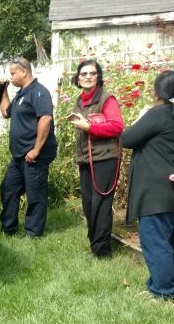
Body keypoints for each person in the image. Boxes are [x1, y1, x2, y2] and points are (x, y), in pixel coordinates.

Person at [120, 69, 174, 300]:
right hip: (167, 191)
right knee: (167, 241)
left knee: (156, 242)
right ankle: (156, 285)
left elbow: (127, 139)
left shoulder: (158, 113)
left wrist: (142, 116)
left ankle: (164, 292)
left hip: (155, 193)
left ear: (156, 92)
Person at [67, 60, 124, 258]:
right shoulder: (79, 100)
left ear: (98, 76)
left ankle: (102, 252)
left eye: (92, 73)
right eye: (84, 74)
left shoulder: (107, 99)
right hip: (86, 160)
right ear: (78, 78)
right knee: (89, 204)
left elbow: (117, 126)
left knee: (101, 204)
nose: (88, 77)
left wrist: (89, 127)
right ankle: (95, 245)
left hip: (105, 159)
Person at [0, 56, 58, 238]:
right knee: (8, 188)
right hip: (18, 156)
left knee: (35, 194)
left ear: (24, 71)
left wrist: (36, 150)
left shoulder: (39, 92)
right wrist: (3, 91)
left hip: (34, 155)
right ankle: (9, 228)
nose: (11, 77)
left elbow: (46, 118)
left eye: (13, 73)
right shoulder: (21, 95)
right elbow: (5, 112)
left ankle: (33, 233)